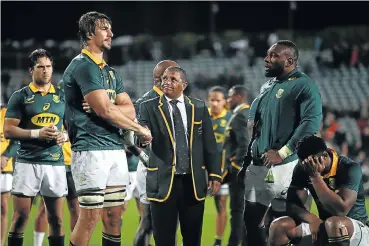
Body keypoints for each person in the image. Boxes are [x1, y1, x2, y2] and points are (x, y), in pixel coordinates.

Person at [62, 11, 151, 246]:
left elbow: (127, 108)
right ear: (90, 34)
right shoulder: (83, 66)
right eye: (105, 29)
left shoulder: (110, 72)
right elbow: (106, 111)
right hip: (90, 150)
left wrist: (108, 107)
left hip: (114, 149)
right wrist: (139, 129)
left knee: (114, 217)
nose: (111, 33)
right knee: (89, 217)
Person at [238, 40, 323, 246]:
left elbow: (310, 124)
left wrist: (283, 152)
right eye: (268, 55)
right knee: (251, 222)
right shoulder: (268, 86)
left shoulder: (304, 85)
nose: (266, 59)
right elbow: (257, 128)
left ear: (290, 60)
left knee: (288, 225)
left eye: (274, 56)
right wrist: (248, 160)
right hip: (259, 166)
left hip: (286, 167)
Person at [139, 66, 222, 246]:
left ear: (184, 84)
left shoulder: (198, 107)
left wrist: (215, 174)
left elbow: (210, 143)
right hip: (162, 182)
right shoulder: (148, 106)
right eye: (164, 79)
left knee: (193, 239)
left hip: (193, 182)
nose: (166, 82)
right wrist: (142, 137)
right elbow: (140, 134)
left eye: (173, 79)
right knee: (163, 240)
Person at [4, 48, 68, 246]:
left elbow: (73, 128)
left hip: (55, 163)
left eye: (49, 67)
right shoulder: (20, 96)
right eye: (41, 67)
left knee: (56, 220)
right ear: (31, 70)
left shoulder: (62, 96)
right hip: (27, 163)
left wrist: (64, 136)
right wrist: (36, 133)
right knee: (21, 218)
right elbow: (8, 131)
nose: (46, 71)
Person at [268, 135, 369, 246]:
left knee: (335, 224)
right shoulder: (304, 167)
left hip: (356, 229)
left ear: (325, 155)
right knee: (279, 226)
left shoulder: (348, 168)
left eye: (313, 162)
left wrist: (315, 177)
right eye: (306, 163)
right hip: (325, 224)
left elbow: (340, 211)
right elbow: (292, 205)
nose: (310, 166)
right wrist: (313, 220)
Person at [133, 60, 180, 246]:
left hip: (172, 167)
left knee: (171, 223)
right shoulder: (146, 102)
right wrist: (147, 160)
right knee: (148, 222)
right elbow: (129, 137)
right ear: (159, 79)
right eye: (172, 75)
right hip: (153, 168)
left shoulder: (174, 100)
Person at [33, 124, 79, 246]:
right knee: (46, 209)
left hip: (72, 163)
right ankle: (37, 244)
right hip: (52, 162)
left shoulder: (72, 110)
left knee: (75, 209)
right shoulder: (52, 106)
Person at [222, 85, 250, 246]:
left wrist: (235, 165)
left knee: (237, 211)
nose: (228, 99)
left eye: (230, 96)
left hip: (241, 173)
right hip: (252, 172)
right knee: (247, 211)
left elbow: (244, 145)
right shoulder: (250, 114)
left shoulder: (239, 116)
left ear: (239, 97)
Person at [207, 86, 232, 246]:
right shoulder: (201, 116)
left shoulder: (230, 118)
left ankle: (218, 240)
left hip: (223, 169)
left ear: (225, 102)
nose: (215, 103)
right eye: (212, 100)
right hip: (200, 168)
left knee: (221, 204)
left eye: (218, 100)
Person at [1, 105, 19, 246]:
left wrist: (6, 157)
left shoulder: (7, 113)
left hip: (3, 168)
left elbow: (16, 140)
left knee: (3, 208)